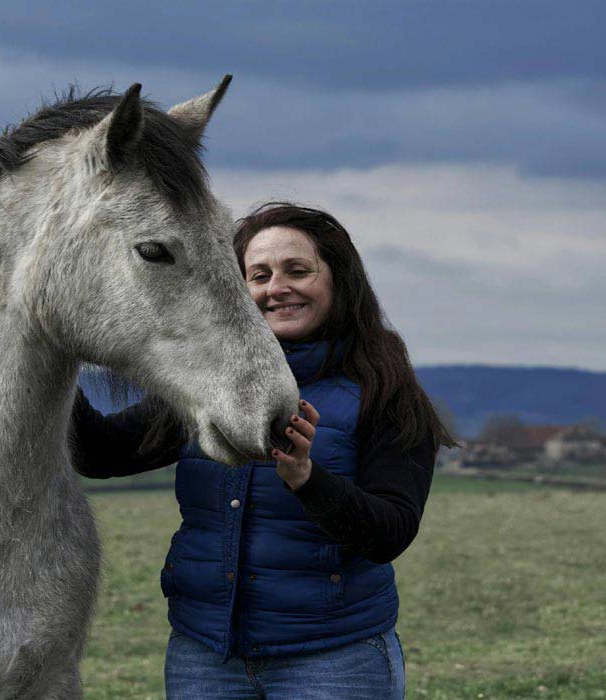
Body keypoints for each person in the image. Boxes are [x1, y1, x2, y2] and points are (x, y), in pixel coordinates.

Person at [71, 202, 455, 699]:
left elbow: (390, 533)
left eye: (298, 270)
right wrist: (56, 356)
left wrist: (307, 479)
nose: (277, 288)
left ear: (338, 280)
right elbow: (102, 454)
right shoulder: (206, 385)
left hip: (334, 661)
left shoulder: (384, 391)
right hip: (207, 657)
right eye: (259, 275)